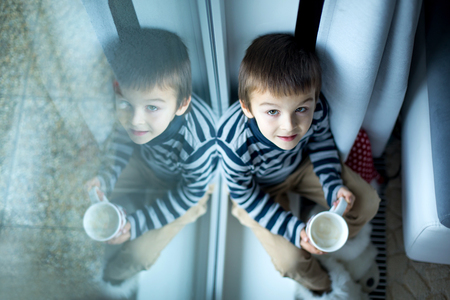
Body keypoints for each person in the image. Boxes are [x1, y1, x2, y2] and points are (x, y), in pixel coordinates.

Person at [217, 33, 380, 294]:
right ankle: (327, 285)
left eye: (301, 109)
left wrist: (332, 184)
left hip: (300, 167)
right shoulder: (232, 142)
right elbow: (242, 193)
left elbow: (321, 141)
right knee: (290, 261)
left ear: (314, 99)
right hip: (257, 190)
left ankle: (323, 241)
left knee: (366, 202)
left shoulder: (317, 109)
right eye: (272, 111)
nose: (289, 126)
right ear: (247, 108)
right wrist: (293, 230)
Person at [85, 28, 218, 284]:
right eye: (126, 104)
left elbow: (191, 193)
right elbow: (123, 138)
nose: (135, 120)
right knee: (96, 194)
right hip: (149, 163)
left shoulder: (200, 142)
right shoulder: (136, 116)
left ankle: (113, 280)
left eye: (152, 107)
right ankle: (127, 208)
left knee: (139, 255)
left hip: (188, 189)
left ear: (181, 105)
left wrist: (137, 224)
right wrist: (106, 177)